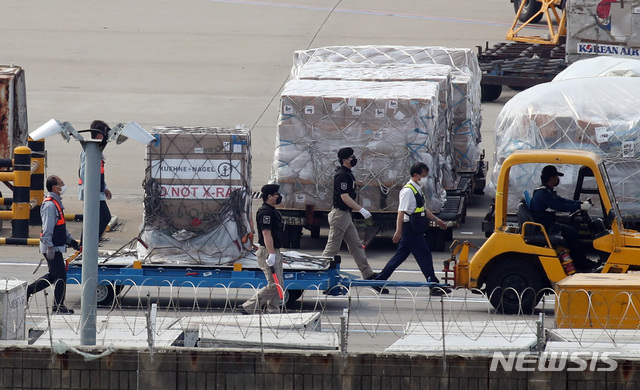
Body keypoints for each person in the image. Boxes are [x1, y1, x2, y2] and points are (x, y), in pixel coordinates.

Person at [375, 162, 449, 295]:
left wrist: (437, 220)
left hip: (415, 229)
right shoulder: (408, 191)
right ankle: (434, 285)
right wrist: (398, 231)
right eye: (424, 176)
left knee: (399, 257)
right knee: (424, 256)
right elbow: (401, 213)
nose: (426, 178)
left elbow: (423, 210)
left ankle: (379, 281)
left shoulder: (417, 190)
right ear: (415, 175)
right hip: (410, 230)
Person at [321, 147, 378, 281]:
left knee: (356, 245)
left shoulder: (348, 174)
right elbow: (345, 197)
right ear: (345, 160)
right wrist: (361, 210)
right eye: (352, 157)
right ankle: (321, 274)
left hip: (346, 216)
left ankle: (367, 273)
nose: (354, 159)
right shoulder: (341, 175)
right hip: (340, 215)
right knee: (332, 249)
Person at [27, 176, 80, 314]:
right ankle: (58, 306)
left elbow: (61, 226)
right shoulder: (50, 205)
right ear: (54, 188)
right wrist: (49, 246)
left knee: (53, 275)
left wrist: (72, 242)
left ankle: (28, 291)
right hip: (51, 246)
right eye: (61, 184)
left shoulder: (56, 203)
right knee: (60, 275)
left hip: (56, 245)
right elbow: (47, 228)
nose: (63, 186)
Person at [529, 165, 594, 271]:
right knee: (571, 232)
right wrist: (580, 207)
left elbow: (563, 200)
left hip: (547, 223)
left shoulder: (547, 191)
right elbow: (560, 206)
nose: (557, 180)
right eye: (556, 177)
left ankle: (578, 260)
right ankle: (581, 263)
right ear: (551, 179)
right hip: (545, 226)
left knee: (573, 226)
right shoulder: (543, 194)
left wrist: (580, 203)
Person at [241, 184, 285, 314]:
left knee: (279, 285)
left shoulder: (273, 211)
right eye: (276, 194)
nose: (278, 196)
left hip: (274, 250)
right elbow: (267, 234)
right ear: (270, 196)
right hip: (268, 251)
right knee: (274, 286)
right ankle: (248, 307)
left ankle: (274, 311)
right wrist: (271, 254)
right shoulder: (265, 212)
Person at [78, 120, 112, 243]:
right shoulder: (90, 151)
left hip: (97, 190)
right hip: (92, 191)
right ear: (99, 136)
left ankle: (86, 244)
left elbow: (100, 173)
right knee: (104, 216)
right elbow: (83, 172)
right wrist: (91, 189)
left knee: (91, 219)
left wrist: (105, 187)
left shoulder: (97, 151)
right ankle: (89, 244)